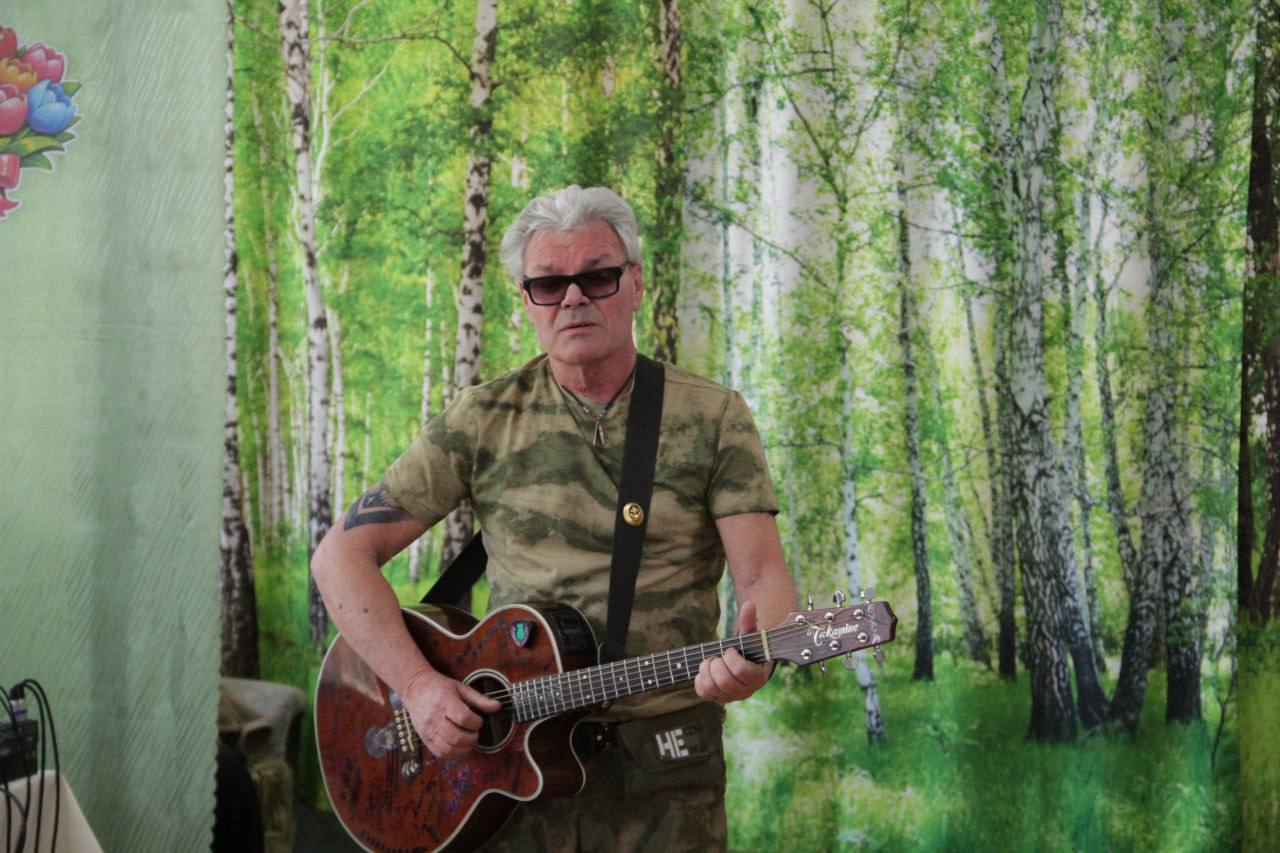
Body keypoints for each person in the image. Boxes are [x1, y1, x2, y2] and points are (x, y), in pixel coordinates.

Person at [311, 185, 797, 851]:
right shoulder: (482, 417)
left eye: (597, 277)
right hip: (505, 772)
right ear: (526, 300)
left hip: (663, 772)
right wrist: (419, 687)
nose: (573, 298)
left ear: (635, 284)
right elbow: (338, 558)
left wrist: (757, 660)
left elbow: (763, 576)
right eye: (548, 283)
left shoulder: (712, 416)